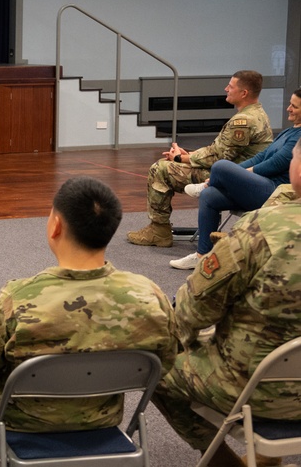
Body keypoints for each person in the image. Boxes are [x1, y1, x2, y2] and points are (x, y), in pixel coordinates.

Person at [0, 176, 178, 467]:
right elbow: (165, 362)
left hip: (22, 420)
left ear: (55, 225)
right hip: (101, 417)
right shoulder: (150, 295)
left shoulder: (17, 299)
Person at [152, 138, 301, 467]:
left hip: (253, 388)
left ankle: (225, 463)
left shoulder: (260, 229)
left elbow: (194, 310)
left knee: (155, 363)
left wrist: (172, 339)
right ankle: (264, 460)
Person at [127, 71, 273, 248]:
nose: (226, 89)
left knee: (160, 169)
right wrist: (187, 156)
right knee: (168, 164)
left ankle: (158, 231)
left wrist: (181, 157)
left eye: (231, 86)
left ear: (244, 93)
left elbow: (219, 157)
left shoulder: (244, 120)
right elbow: (220, 150)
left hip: (230, 178)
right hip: (240, 175)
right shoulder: (257, 114)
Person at [170, 87, 301, 269]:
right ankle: (203, 256)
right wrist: (233, 173)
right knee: (211, 196)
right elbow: (261, 157)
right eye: (290, 104)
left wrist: (238, 174)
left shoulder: (299, 136)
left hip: (274, 193)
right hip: (260, 187)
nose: (288, 108)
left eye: (294, 106)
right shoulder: (289, 132)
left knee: (220, 166)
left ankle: (205, 185)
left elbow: (275, 164)